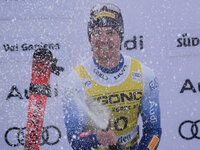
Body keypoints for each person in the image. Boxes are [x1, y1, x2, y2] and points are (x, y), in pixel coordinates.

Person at [60, 3, 162, 150]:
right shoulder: (75, 81)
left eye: (110, 32)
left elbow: (154, 132)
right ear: (90, 38)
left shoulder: (144, 75)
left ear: (120, 37)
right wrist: (96, 138)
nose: (103, 39)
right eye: (97, 33)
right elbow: (74, 138)